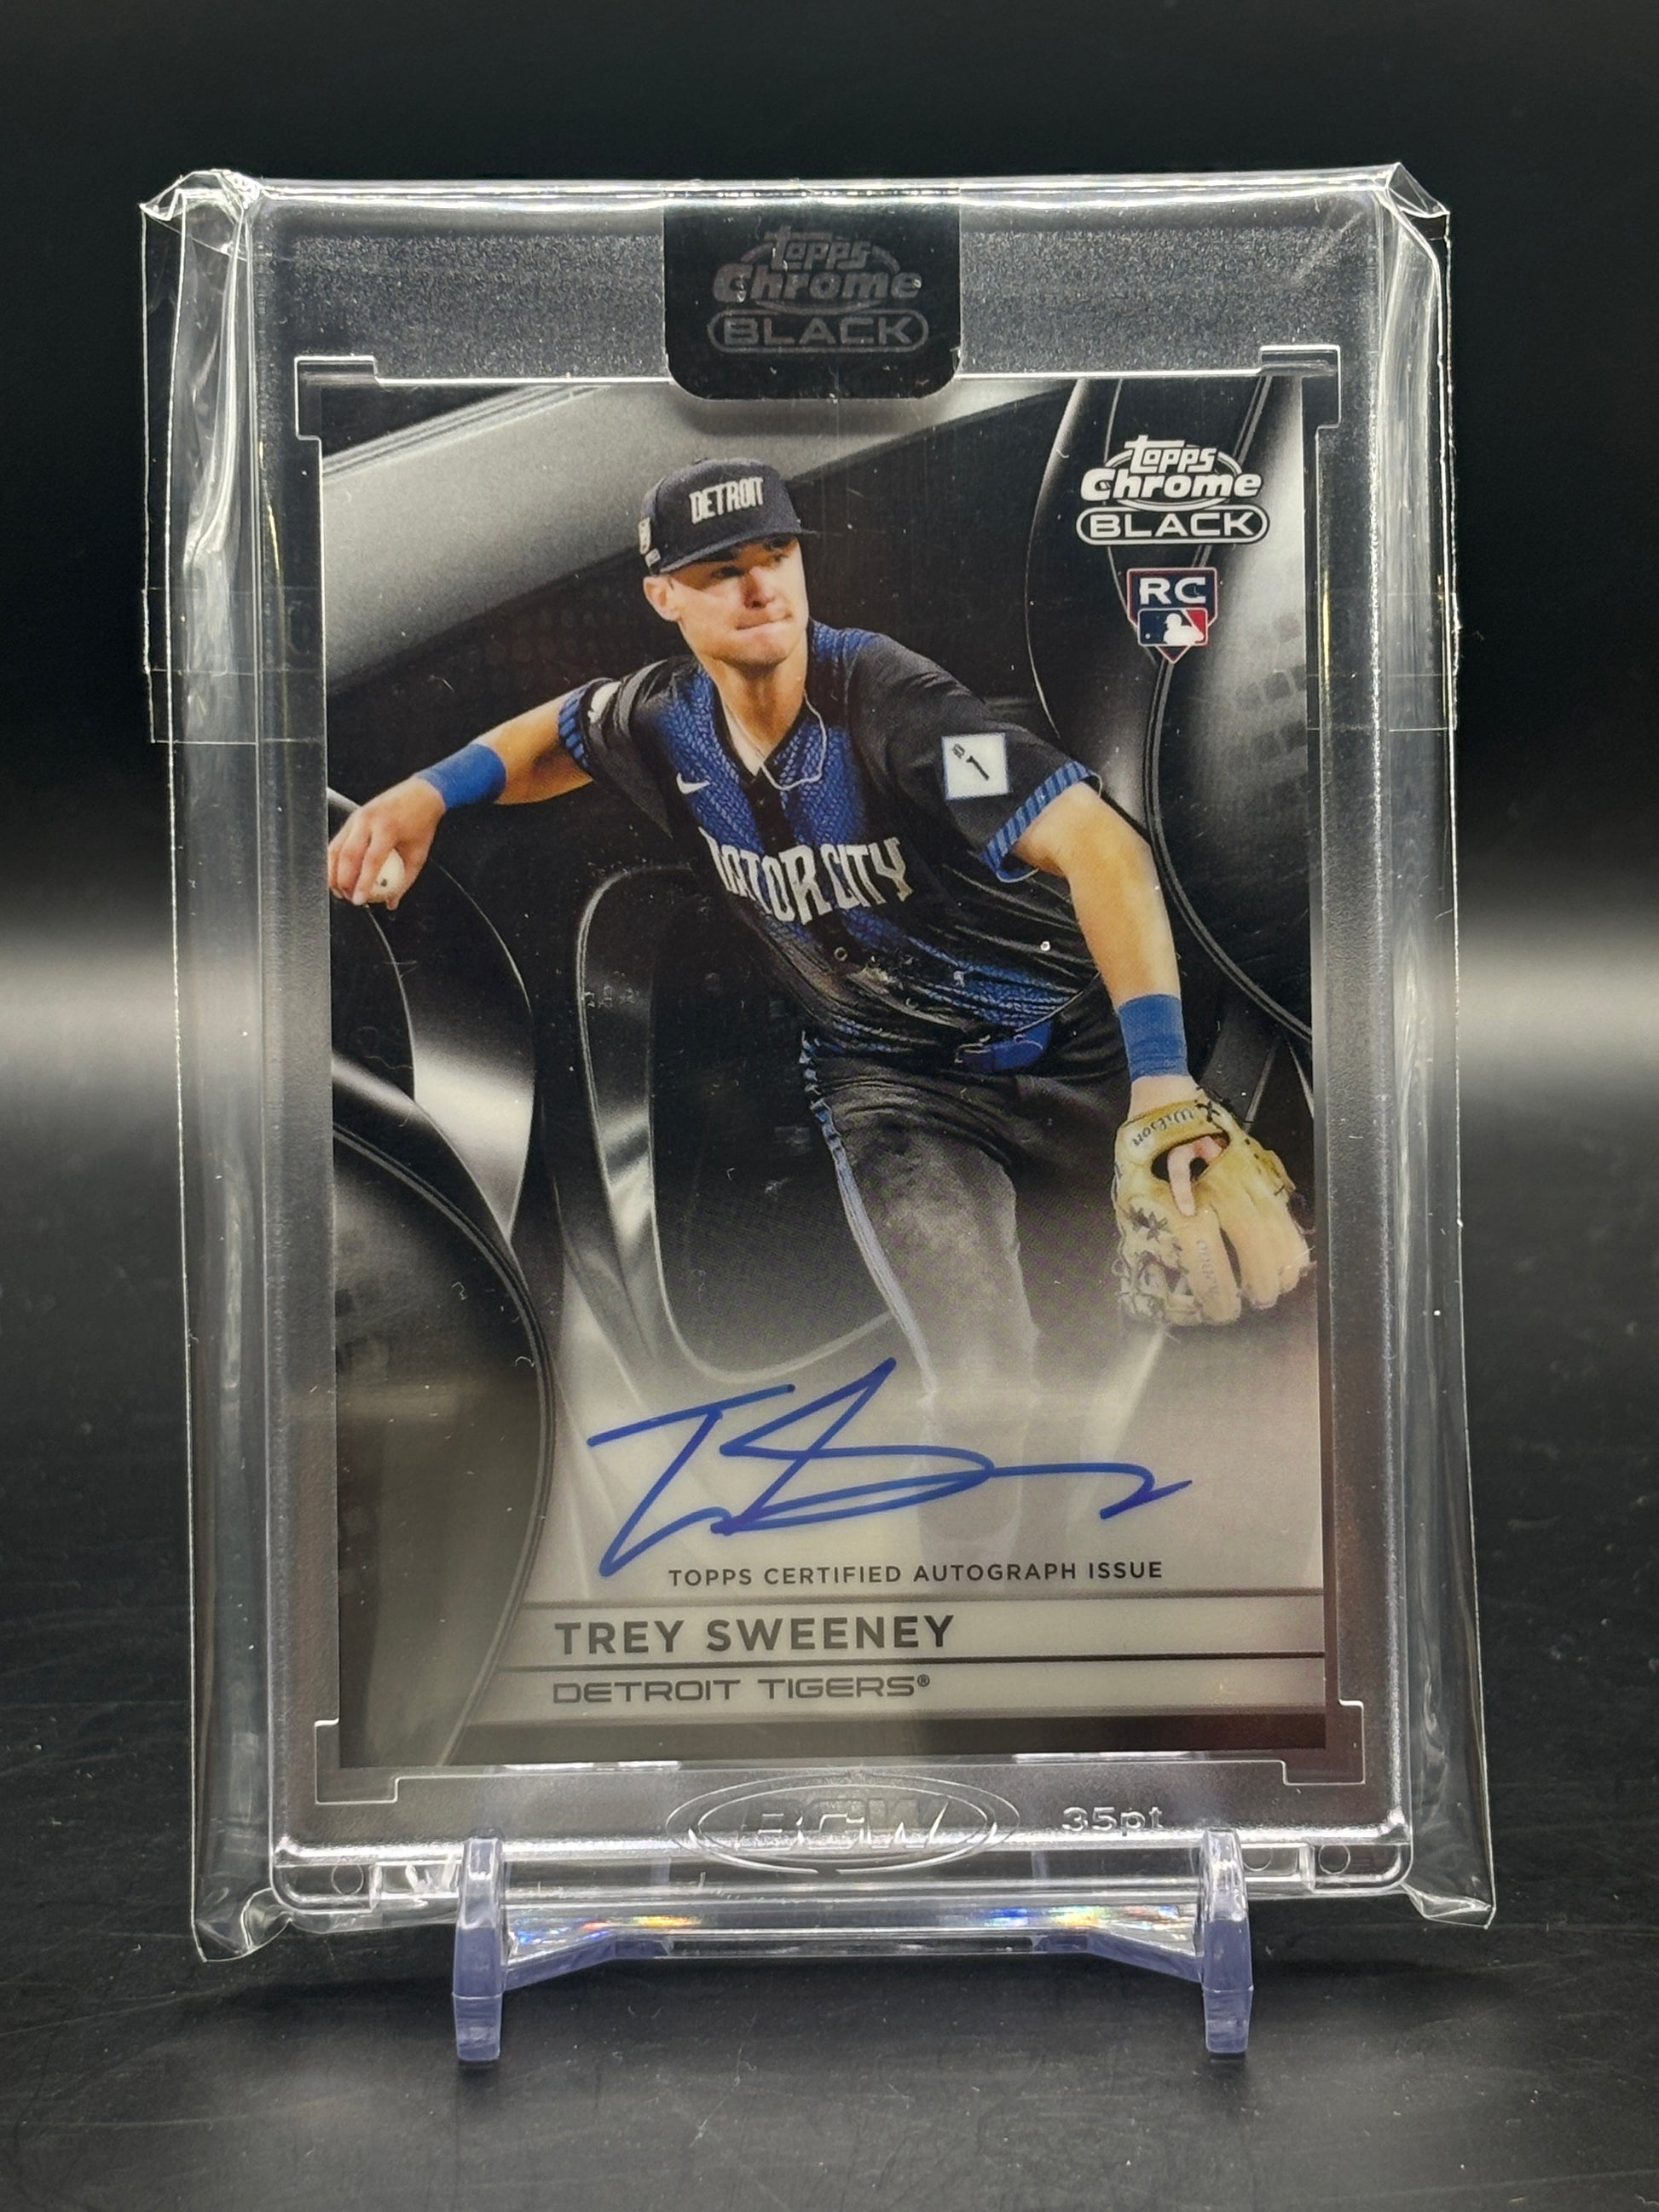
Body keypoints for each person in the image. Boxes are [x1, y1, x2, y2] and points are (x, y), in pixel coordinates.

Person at [329, 458, 1298, 1424]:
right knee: (978, 1384)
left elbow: (1101, 847)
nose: (760, 587)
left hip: (1074, 1052)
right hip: (895, 1089)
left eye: (776, 554)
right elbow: (560, 735)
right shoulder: (664, 723)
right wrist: (428, 793)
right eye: (721, 570)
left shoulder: (895, 707)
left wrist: (1162, 1080)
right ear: (664, 596)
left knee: (1134, 1364)